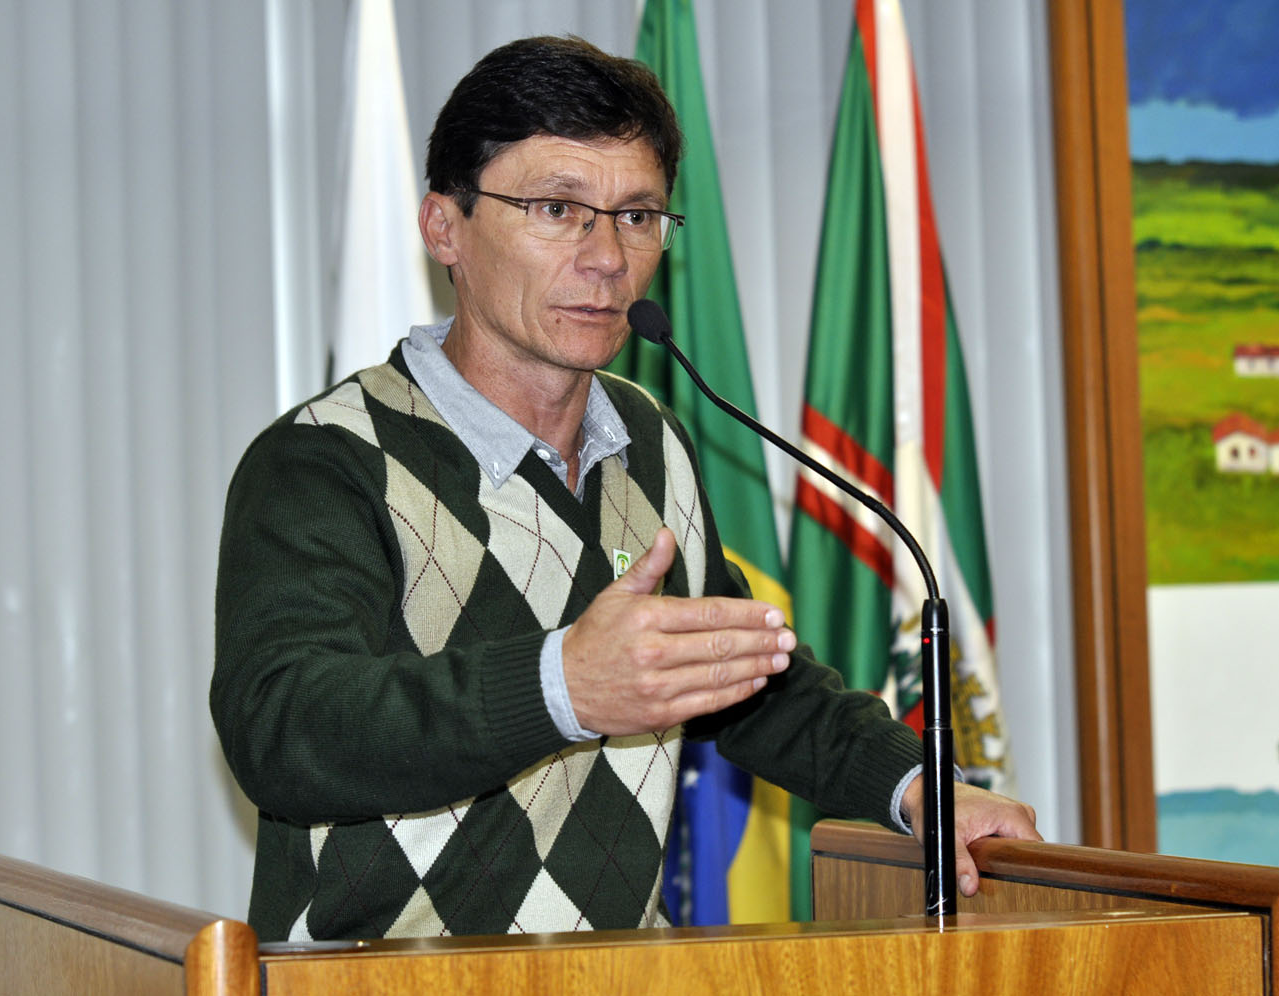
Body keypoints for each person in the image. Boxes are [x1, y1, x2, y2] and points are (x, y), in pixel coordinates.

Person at [211, 34, 1038, 943]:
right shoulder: (327, 458)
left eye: (638, 215)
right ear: (444, 225)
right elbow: (283, 730)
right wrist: (560, 685)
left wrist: (917, 783)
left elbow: (743, 680)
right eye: (558, 208)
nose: (607, 256)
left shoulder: (651, 440)